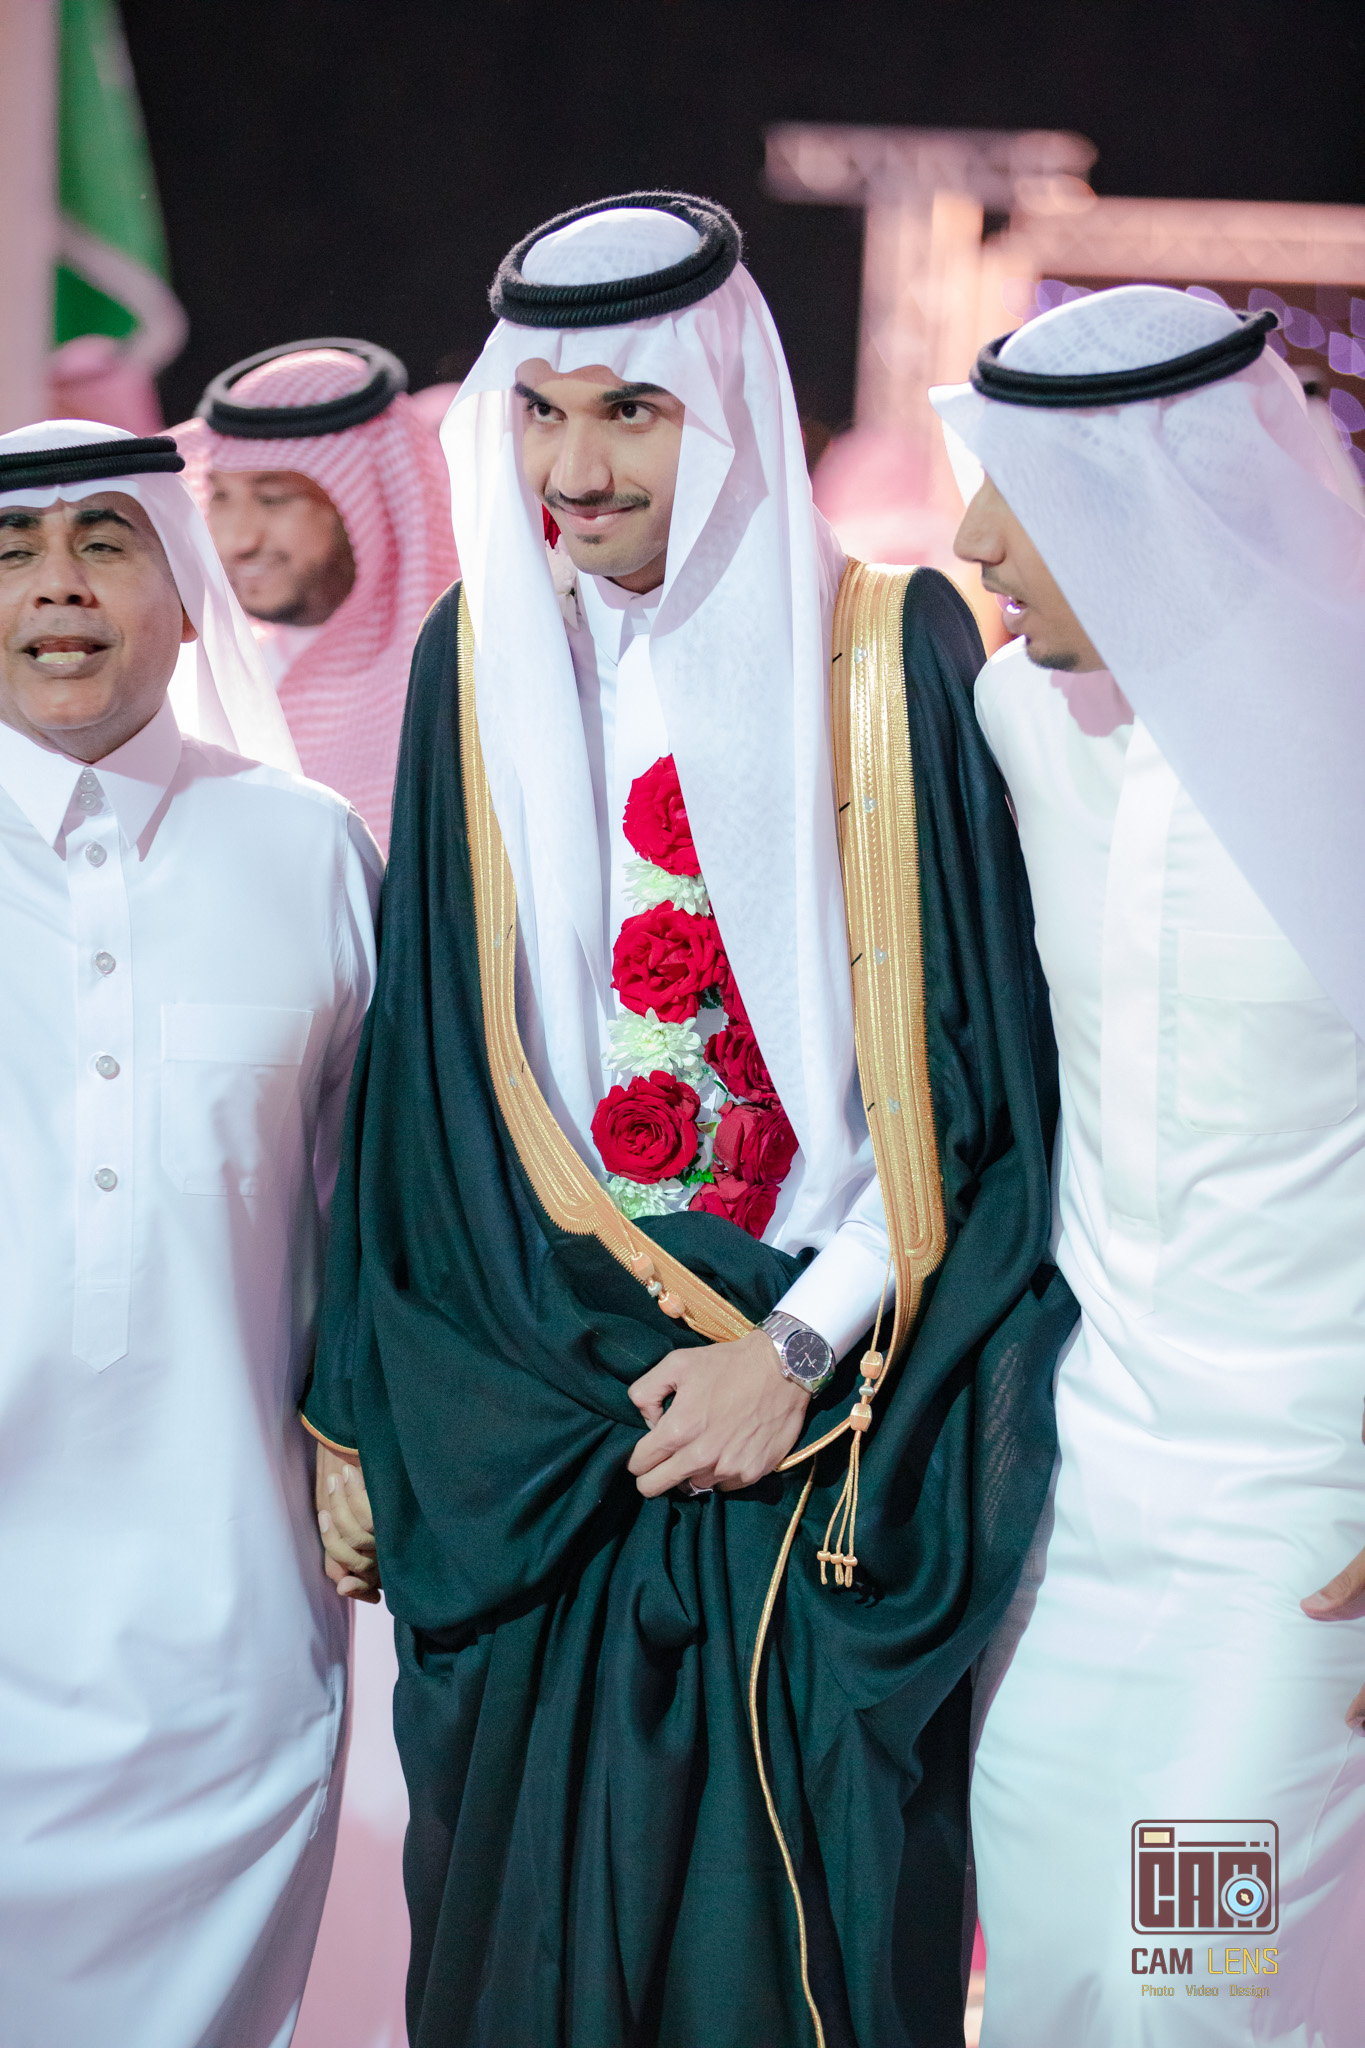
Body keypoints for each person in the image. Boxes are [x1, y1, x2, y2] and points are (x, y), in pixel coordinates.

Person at [307, 192, 1076, 2048]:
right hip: (544, 1410)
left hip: (828, 1404)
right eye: (542, 414)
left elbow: (974, 1084)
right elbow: (421, 1091)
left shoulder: (886, 654)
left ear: (721, 409)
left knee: (798, 1940)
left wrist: (793, 1350)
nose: (574, 472)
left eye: (628, 414)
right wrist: (352, 1405)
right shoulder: (469, 668)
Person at [934, 285, 1365, 2044]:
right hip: (1080, 1514)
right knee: (1046, 1978)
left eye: (1019, 491)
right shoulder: (1021, 720)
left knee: (1195, 1990)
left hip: (1304, 1537)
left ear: (1153, 494)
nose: (973, 542)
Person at [0, 419, 381, 2048]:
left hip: (230, 1642)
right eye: (11, 553)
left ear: (182, 587)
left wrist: (361, 1431)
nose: (57, 588)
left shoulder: (310, 849)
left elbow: (389, 1216)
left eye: (106, 542)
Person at [176, 339, 459, 849]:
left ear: (367, 500)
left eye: (273, 499)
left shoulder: (458, 676)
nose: (238, 540)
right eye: (221, 496)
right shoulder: (188, 677)